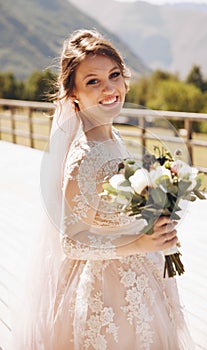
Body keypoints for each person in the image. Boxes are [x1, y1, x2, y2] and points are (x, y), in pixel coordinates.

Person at [13, 29, 195, 349]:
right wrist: (139, 243)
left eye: (114, 75)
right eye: (93, 82)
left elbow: (113, 207)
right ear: (74, 95)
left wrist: (155, 216)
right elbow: (72, 242)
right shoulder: (83, 157)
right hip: (106, 294)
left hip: (141, 275)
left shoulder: (111, 137)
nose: (109, 88)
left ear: (125, 80)